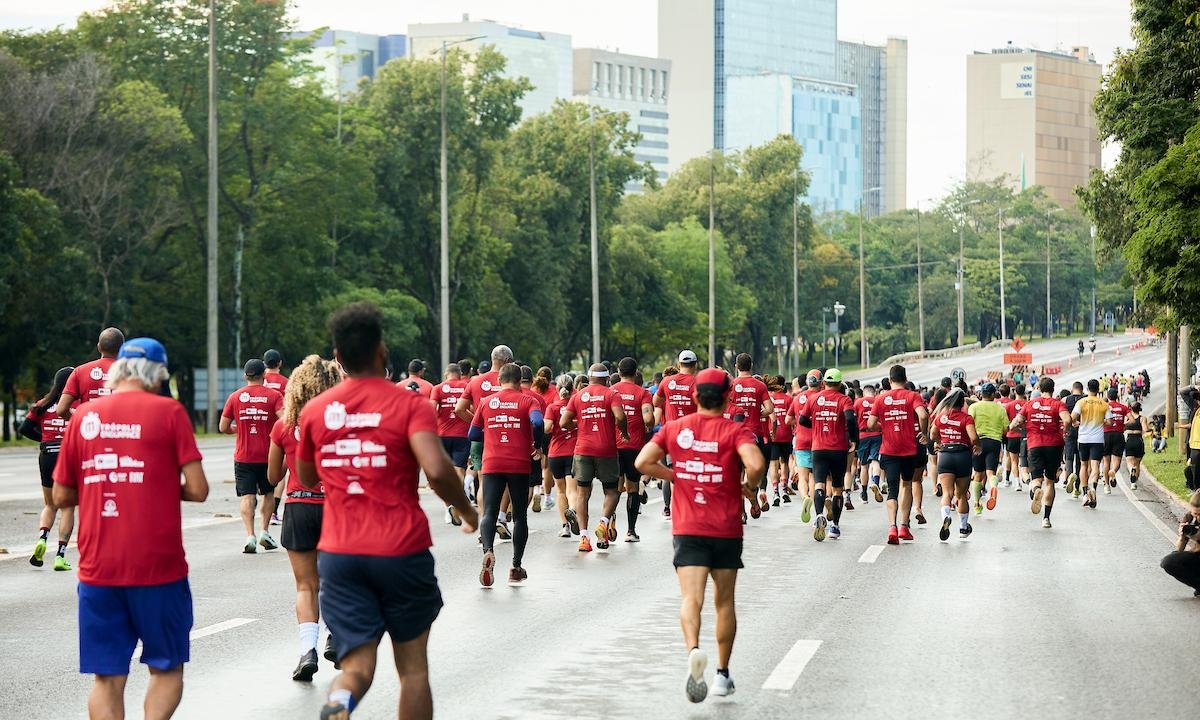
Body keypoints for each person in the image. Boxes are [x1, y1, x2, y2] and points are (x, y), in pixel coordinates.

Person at [296, 303, 477, 720]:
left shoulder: (316, 411)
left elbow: (305, 477)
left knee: (357, 666)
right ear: (382, 350)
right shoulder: (410, 405)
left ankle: (340, 703)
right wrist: (467, 511)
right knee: (412, 670)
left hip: (341, 554)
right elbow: (436, 470)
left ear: (337, 357)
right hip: (401, 549)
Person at [53, 337, 209, 720]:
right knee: (167, 668)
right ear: (157, 374)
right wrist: (154, 482)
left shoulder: (83, 417)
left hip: (98, 569)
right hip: (159, 568)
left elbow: (61, 496)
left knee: (106, 679)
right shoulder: (169, 413)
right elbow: (200, 489)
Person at [635, 367, 765, 702]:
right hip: (725, 527)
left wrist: (675, 475)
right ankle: (722, 674)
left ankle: (693, 649)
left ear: (694, 397)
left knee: (690, 599)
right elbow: (756, 465)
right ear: (727, 397)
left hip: (688, 527)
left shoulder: (675, 429)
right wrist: (746, 487)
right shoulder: (735, 431)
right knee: (724, 603)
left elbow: (642, 462)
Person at [265, 355, 344, 681]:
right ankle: (336, 637)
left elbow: (272, 477)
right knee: (335, 581)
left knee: (305, 585)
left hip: (298, 505)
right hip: (334, 507)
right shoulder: (341, 422)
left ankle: (306, 650)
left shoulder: (283, 426)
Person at [468, 363, 544, 586]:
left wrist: (492, 432)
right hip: (519, 464)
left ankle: (488, 550)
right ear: (520, 381)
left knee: (489, 512)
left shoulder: (485, 402)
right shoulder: (529, 400)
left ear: (499, 380)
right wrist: (537, 445)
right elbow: (538, 422)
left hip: (492, 462)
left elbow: (473, 433)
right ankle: (516, 566)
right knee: (520, 515)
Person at [560, 363, 629, 552]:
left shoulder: (578, 396)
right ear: (607, 378)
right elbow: (620, 417)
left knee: (582, 494)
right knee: (612, 491)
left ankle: (584, 539)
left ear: (589, 378)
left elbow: (563, 422)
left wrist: (580, 423)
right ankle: (603, 523)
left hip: (583, 449)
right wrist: (624, 432)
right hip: (606, 449)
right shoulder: (611, 394)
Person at [221, 358, 284, 553]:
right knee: (268, 493)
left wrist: (238, 428)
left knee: (246, 496)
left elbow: (223, 427)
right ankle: (264, 531)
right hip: (268, 456)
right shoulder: (274, 396)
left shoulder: (235, 397)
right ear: (264, 375)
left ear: (245, 375)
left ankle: (250, 536)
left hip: (243, 456)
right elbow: (285, 419)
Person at [19, 366, 75, 570]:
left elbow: (24, 428)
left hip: (47, 455)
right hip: (69, 455)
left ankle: (42, 538)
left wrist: (43, 439)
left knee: (50, 505)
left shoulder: (43, 403)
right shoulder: (76, 404)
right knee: (68, 507)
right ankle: (60, 556)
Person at [868, 365, 929, 545]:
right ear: (905, 378)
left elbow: (870, 424)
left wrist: (884, 427)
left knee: (892, 490)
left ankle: (892, 527)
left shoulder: (880, 398)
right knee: (907, 485)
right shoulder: (912, 396)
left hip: (889, 450)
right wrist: (923, 434)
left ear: (890, 379)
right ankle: (904, 526)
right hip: (909, 450)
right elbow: (923, 416)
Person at [798, 368, 858, 541]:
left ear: (824, 382)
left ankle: (818, 515)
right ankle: (835, 527)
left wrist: (817, 426)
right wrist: (853, 439)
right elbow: (850, 419)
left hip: (818, 449)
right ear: (839, 383)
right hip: (838, 449)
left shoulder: (813, 398)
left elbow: (802, 420)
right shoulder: (844, 399)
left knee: (819, 484)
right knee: (837, 488)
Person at [1011, 378, 1071, 528]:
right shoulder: (1058, 404)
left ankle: (1037, 489)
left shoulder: (1029, 404)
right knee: (1050, 482)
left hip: (1034, 444)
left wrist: (1023, 430)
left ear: (1039, 388)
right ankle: (1046, 518)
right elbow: (1067, 419)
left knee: (1036, 479)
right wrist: (1065, 431)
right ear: (1053, 388)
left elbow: (1013, 425)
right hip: (1054, 445)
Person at [724, 353, 773, 514]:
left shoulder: (731, 385)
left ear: (736, 366)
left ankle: (742, 512)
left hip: (735, 435)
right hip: (755, 435)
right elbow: (770, 409)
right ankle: (754, 500)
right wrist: (757, 414)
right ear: (751, 365)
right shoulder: (759, 386)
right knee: (751, 475)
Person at [612, 357, 655, 542]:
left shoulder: (610, 391)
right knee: (633, 488)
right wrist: (649, 426)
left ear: (619, 372)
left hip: (612, 446)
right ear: (636, 372)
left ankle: (608, 524)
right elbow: (648, 418)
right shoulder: (643, 393)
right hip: (634, 446)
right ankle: (630, 531)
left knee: (612, 489)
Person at [654, 350, 701, 516]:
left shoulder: (667, 382)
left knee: (672, 472)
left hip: (671, 434)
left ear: (679, 364)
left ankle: (672, 508)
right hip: (693, 436)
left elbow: (656, 401)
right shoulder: (698, 383)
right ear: (695, 365)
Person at [930, 389, 979, 540]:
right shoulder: (966, 418)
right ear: (962, 403)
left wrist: (940, 442)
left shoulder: (941, 417)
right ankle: (963, 529)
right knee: (961, 495)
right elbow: (973, 437)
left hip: (945, 455)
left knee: (947, 493)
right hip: (962, 455)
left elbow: (932, 435)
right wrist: (978, 445)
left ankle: (946, 517)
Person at [430, 364, 470, 526]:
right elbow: (472, 407)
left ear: (446, 374)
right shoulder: (466, 386)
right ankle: (457, 501)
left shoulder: (438, 388)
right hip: (463, 434)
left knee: (445, 473)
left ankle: (449, 508)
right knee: (459, 470)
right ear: (460, 374)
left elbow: (431, 409)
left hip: (442, 434)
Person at [56, 327, 124, 419]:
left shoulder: (79, 371)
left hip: (90, 430)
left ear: (99, 347)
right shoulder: (130, 373)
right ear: (122, 348)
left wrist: (82, 420)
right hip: (120, 430)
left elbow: (61, 410)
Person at [545, 374, 580, 538]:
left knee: (560, 491)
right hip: (573, 452)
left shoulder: (552, 407)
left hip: (555, 453)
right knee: (572, 490)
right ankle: (572, 510)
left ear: (557, 389)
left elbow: (546, 428)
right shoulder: (576, 406)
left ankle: (565, 526)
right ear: (573, 389)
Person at [967, 383, 1007, 513]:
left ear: (981, 394)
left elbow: (969, 425)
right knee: (990, 473)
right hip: (994, 442)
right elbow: (1006, 429)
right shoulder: (1000, 408)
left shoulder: (973, 407)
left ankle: (977, 505)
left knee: (978, 474)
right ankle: (993, 486)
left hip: (978, 442)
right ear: (992, 394)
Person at [262, 349, 289, 525]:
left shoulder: (258, 378)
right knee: (280, 472)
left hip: (259, 431)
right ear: (279, 363)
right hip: (278, 433)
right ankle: (273, 511)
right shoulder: (286, 382)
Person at [1072, 379, 1108, 507]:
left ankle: (1085, 494)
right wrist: (1102, 421)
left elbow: (1072, 418)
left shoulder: (1081, 402)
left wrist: (1076, 423)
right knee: (1095, 466)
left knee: (1083, 466)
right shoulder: (1103, 404)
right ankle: (1093, 487)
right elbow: (1110, 422)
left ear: (1087, 389)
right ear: (1098, 390)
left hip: (1083, 439)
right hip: (1097, 439)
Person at [1160, 490, 1200, 597]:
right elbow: (1179, 550)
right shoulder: (1190, 518)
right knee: (1169, 561)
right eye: (1195, 514)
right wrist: (1182, 537)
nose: (1197, 517)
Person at [766, 376, 794, 506]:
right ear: (782, 386)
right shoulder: (789, 399)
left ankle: (775, 491)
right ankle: (784, 488)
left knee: (773, 463)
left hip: (773, 436)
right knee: (784, 463)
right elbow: (791, 419)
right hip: (786, 436)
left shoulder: (768, 399)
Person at [855, 383, 884, 505]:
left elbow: (853, 420)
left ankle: (864, 493)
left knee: (864, 465)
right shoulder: (879, 401)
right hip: (877, 434)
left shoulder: (858, 402)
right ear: (874, 392)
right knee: (875, 461)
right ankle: (876, 482)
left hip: (862, 435)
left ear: (864, 392)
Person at [1102, 388, 1131, 494]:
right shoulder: (1123, 407)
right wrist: (1123, 425)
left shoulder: (1103, 406)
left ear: (1108, 396)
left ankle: (1106, 486)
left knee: (1106, 461)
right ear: (1117, 396)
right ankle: (1113, 471)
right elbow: (1132, 420)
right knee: (1117, 460)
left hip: (1105, 435)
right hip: (1118, 435)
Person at [1124, 403, 1149, 490]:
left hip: (1129, 440)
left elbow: (1123, 427)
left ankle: (1131, 470)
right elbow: (1145, 429)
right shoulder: (1142, 418)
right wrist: (1150, 429)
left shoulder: (1127, 418)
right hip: (1138, 440)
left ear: (1131, 409)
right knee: (1137, 463)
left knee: (1129, 462)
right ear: (1140, 409)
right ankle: (1134, 483)